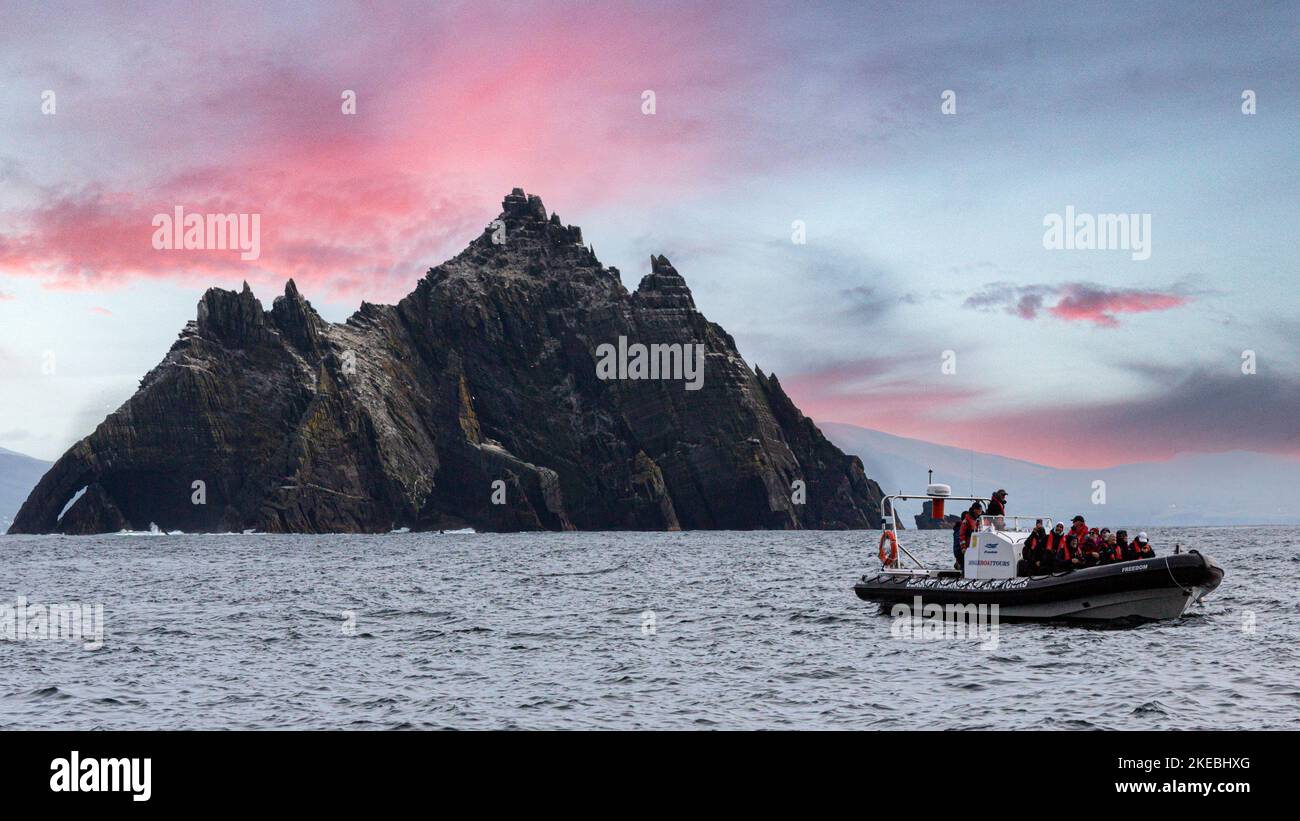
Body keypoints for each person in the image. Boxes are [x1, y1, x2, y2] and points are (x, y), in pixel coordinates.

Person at [954, 501, 983, 570]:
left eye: (981, 511)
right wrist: (963, 547)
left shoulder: (977, 520)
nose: (980, 512)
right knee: (965, 567)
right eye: (979, 511)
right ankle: (963, 575)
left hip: (974, 547)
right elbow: (962, 535)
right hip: (967, 548)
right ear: (975, 510)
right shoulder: (966, 521)